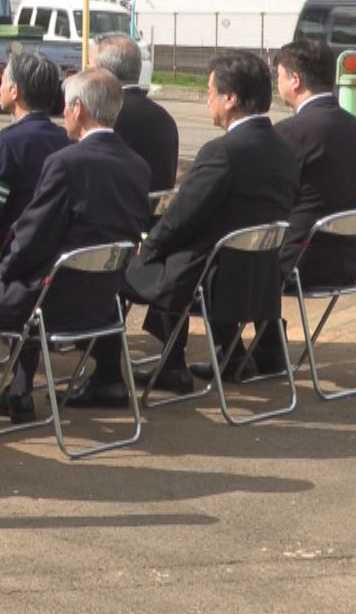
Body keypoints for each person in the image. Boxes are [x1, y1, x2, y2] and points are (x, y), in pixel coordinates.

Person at [0, 69, 150, 433]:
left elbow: (30, 239)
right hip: (100, 305)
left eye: (66, 105)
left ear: (77, 108)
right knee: (34, 275)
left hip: (44, 302)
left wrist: (0, 271)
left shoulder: (67, 164)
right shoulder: (138, 167)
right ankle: (18, 388)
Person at [69, 51, 299, 407]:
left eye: (210, 91)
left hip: (211, 277)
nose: (207, 99)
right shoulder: (285, 149)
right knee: (167, 258)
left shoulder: (223, 152)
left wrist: (150, 247)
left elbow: (179, 217)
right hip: (257, 273)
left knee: (113, 269)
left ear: (230, 98)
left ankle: (108, 377)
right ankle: (187, 362)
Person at [198, 40, 356, 380]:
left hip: (299, 261)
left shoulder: (292, 134)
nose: (277, 82)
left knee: (216, 255)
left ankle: (234, 355)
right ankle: (268, 349)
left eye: (279, 75)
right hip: (345, 259)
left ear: (295, 80)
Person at [0, 48, 68, 274]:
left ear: (14, 91)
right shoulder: (66, 140)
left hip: (3, 263)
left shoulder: (6, 144)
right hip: (48, 262)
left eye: (2, 81)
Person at [92, 33, 179, 192]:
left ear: (104, 73)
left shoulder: (106, 116)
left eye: (90, 69)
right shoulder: (165, 118)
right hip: (156, 213)